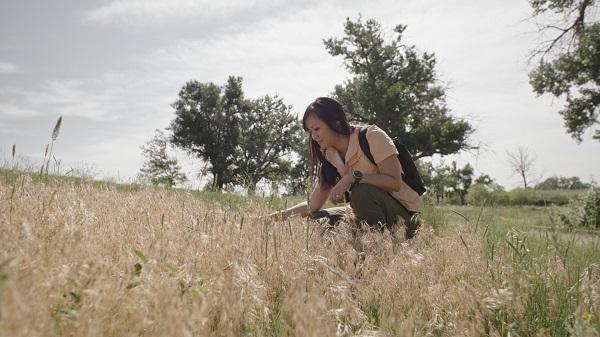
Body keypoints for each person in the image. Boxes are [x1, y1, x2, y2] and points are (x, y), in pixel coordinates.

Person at [271, 97, 423, 240]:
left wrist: (351, 177)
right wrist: (271, 219)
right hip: (365, 215)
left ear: (336, 123)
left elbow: (394, 182)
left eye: (317, 128)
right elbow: (312, 206)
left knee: (361, 192)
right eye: (310, 132)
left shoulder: (372, 136)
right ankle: (348, 257)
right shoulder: (330, 155)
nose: (314, 136)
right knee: (318, 219)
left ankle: (375, 254)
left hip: (405, 218)